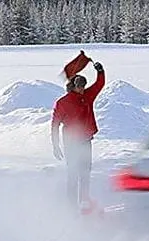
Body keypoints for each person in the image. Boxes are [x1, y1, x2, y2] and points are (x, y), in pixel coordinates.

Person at [51, 55, 105, 213]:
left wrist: (100, 72)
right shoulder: (63, 102)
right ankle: (71, 205)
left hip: (86, 141)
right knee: (73, 174)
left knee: (85, 172)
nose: (82, 89)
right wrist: (56, 145)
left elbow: (99, 85)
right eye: (79, 86)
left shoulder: (87, 97)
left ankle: (84, 201)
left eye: (83, 86)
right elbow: (55, 124)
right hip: (71, 143)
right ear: (72, 86)